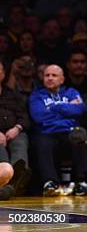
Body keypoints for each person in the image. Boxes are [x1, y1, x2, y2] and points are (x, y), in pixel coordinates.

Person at [29, 64, 87, 196]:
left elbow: (79, 110)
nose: (50, 78)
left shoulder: (71, 92)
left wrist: (54, 107)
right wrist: (66, 109)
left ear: (62, 79)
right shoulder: (36, 95)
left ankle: (80, 182)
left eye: (54, 75)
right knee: (42, 142)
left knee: (80, 134)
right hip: (47, 133)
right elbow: (39, 116)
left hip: (69, 132)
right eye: (47, 75)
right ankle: (50, 183)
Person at [0, 61, 31, 200]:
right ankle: (7, 183)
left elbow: (24, 117)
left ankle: (19, 172)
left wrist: (17, 128)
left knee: (20, 140)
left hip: (13, 131)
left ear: (3, 74)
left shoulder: (13, 94)